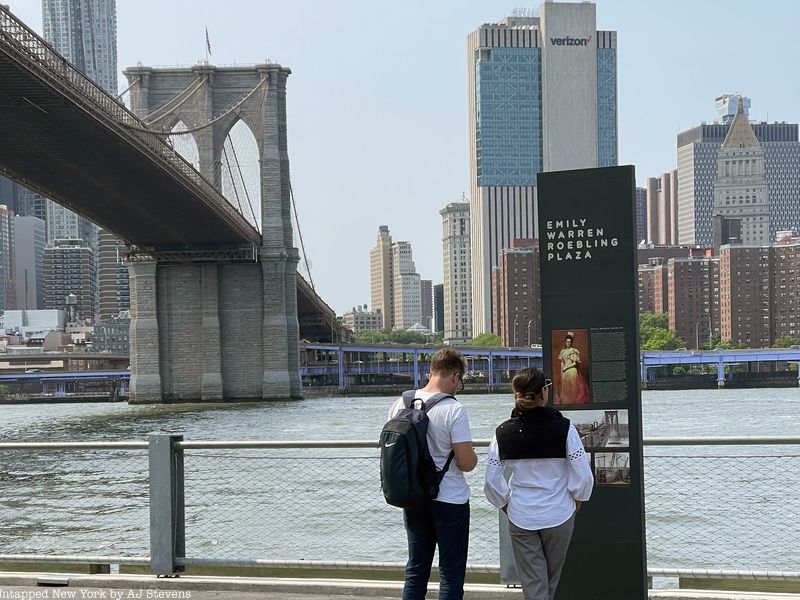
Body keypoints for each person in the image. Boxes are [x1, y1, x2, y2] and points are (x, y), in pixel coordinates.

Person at [484, 367, 594, 600]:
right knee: (550, 581)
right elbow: (583, 475)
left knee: (534, 585)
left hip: (522, 515)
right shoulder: (564, 428)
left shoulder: (503, 432)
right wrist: (577, 500)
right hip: (559, 513)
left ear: (516, 394)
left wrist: (505, 504)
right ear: (543, 393)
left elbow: (492, 480)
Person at [387, 348, 478, 600]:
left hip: (413, 497)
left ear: (431, 372)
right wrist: (475, 456)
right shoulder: (453, 409)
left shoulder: (400, 404)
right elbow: (466, 462)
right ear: (455, 377)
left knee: (416, 569)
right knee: (451, 573)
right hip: (450, 500)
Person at [556, 332, 589, 404]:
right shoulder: (563, 351)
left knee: (572, 383)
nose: (568, 343)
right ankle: (566, 401)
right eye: (567, 341)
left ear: (571, 343)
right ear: (565, 342)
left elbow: (575, 363)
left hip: (571, 369)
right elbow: (562, 362)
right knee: (564, 385)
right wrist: (561, 371)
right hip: (564, 370)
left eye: (569, 342)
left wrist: (567, 367)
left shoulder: (573, 351)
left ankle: (573, 401)